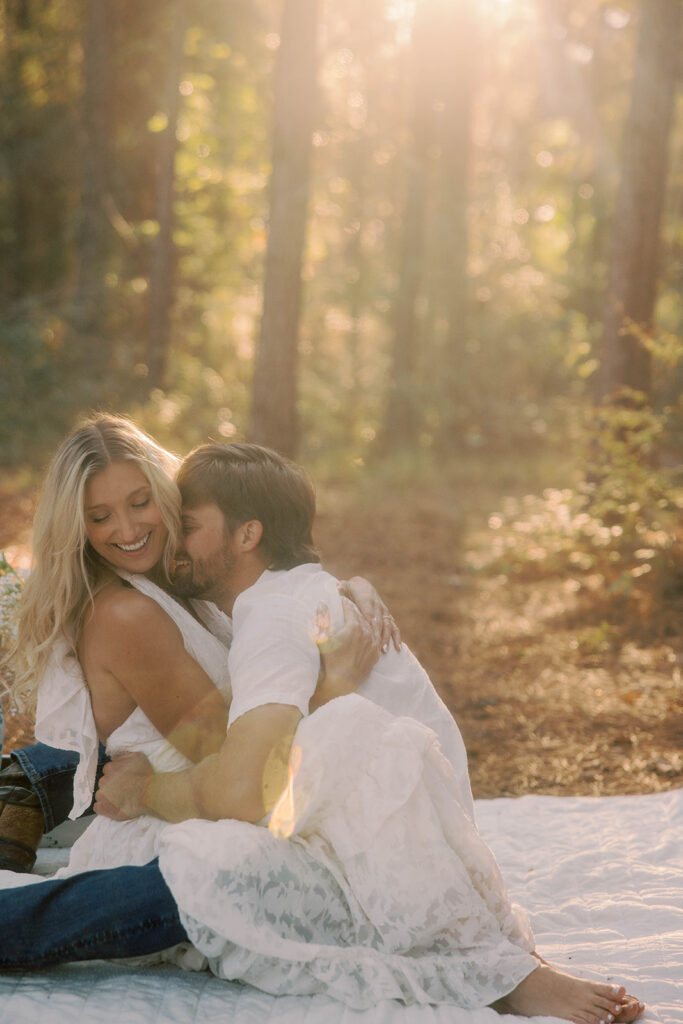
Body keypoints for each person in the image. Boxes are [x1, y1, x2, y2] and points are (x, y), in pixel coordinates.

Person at [92, 442, 643, 1024]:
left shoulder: (273, 615)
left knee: (202, 869)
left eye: (189, 527)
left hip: (405, 849)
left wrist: (145, 791)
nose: (170, 543)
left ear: (248, 534)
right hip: (422, 822)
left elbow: (244, 793)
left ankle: (506, 975)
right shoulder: (302, 592)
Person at [0, 415, 393, 881]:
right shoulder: (128, 617)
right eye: (100, 517)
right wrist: (334, 687)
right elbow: (233, 760)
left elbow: (263, 581)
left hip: (221, 809)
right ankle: (23, 790)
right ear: (76, 527)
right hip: (184, 838)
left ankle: (24, 782)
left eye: (140, 502)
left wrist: (345, 590)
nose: (126, 530)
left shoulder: (174, 578)